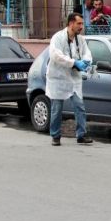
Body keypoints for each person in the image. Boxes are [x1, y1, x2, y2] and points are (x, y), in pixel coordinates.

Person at [46, 12, 93, 146]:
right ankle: (55, 136)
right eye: (79, 23)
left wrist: (85, 61)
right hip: (58, 78)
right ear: (71, 23)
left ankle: (81, 135)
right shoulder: (58, 38)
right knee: (57, 108)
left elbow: (87, 53)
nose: (81, 26)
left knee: (79, 106)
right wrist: (73, 62)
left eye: (82, 23)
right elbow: (56, 55)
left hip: (74, 78)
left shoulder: (81, 39)